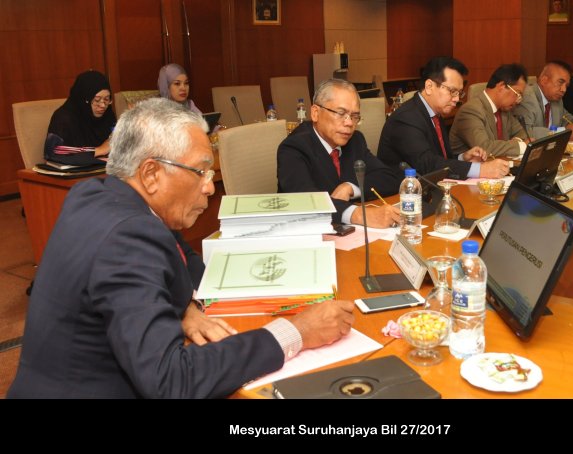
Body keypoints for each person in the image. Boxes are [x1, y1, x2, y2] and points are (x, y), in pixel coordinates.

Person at [8, 98, 354, 398]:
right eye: (201, 171)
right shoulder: (128, 238)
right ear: (151, 174)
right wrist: (296, 332)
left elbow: (174, 253)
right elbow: (172, 381)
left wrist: (184, 305)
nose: (209, 187)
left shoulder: (96, 195)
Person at [277, 79, 401, 228]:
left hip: (345, 231)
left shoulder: (355, 140)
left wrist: (350, 187)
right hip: (306, 232)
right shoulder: (294, 147)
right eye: (341, 113)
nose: (349, 123)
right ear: (315, 113)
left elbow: (388, 178)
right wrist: (359, 215)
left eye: (354, 116)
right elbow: (307, 201)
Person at [378, 56, 509, 180]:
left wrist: (463, 158)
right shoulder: (406, 118)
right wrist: (481, 169)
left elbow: (440, 160)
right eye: (452, 91)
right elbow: (427, 165)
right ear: (429, 87)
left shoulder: (435, 113)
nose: (457, 99)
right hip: (400, 192)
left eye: (459, 93)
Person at [450, 63, 530, 158]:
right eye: (517, 94)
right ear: (502, 86)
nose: (517, 100)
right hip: (467, 166)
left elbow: (522, 133)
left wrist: (517, 141)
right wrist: (521, 146)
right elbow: (484, 147)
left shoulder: (504, 109)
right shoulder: (471, 110)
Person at [44, 70, 116, 166]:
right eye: (97, 100)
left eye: (107, 99)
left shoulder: (108, 115)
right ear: (83, 98)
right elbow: (53, 151)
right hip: (74, 173)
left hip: (105, 170)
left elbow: (117, 138)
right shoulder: (63, 118)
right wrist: (98, 150)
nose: (103, 105)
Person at [514, 61, 573, 139]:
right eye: (560, 82)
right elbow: (525, 132)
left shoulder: (556, 99)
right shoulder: (527, 98)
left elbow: (565, 118)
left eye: (566, 86)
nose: (564, 89)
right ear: (544, 80)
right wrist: (563, 131)